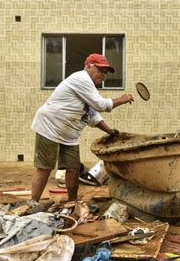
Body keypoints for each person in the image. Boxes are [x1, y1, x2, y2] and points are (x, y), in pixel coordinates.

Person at [30, 53, 134, 203]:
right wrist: (122, 99)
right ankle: (33, 203)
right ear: (88, 66)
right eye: (101, 70)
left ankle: (72, 202)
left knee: (73, 168)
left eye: (106, 72)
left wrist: (109, 131)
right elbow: (101, 105)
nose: (103, 75)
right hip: (50, 126)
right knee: (45, 167)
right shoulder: (81, 79)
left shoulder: (88, 89)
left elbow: (92, 115)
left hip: (69, 133)